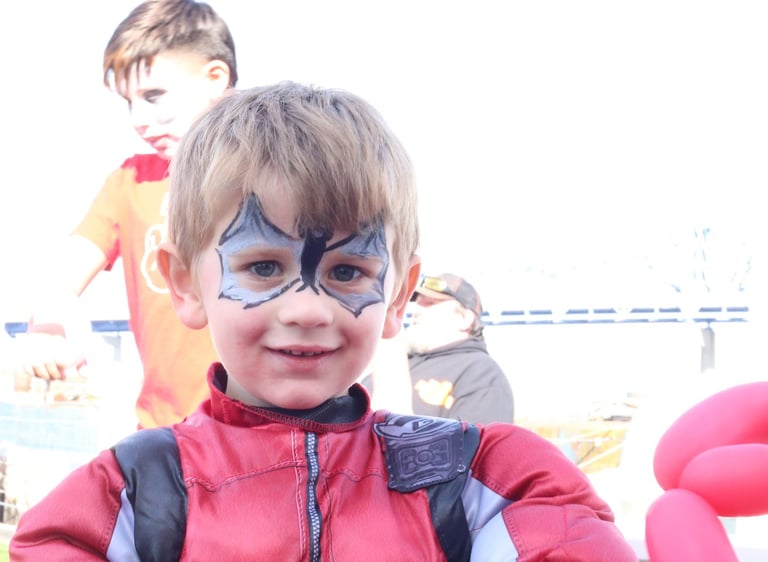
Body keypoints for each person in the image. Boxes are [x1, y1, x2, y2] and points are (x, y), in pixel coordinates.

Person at [10, 82, 637, 561]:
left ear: (398, 296)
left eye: (347, 271)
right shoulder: (128, 497)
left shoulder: (477, 480)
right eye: (262, 267)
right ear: (184, 284)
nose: (307, 309)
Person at [17, 0, 237, 428]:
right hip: (165, 434)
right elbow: (62, 275)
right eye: (129, 102)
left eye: (154, 96)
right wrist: (46, 328)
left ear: (215, 78)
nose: (139, 119)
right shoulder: (129, 183)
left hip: (270, 433)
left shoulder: (271, 175)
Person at [364, 272, 515, 424]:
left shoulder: (482, 375)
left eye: (430, 303)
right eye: (418, 303)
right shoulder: (404, 362)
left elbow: (473, 440)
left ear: (464, 319)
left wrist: (390, 351)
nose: (415, 311)